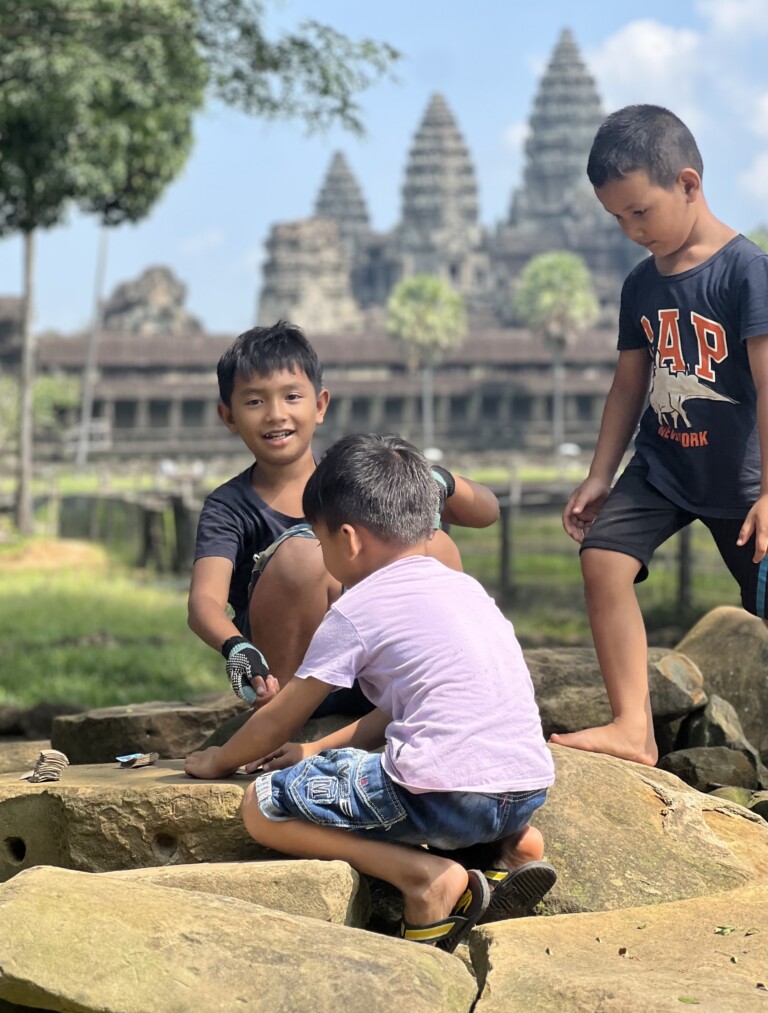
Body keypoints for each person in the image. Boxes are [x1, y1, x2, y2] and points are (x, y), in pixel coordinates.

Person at [185, 433, 556, 953]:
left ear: (349, 539)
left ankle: (423, 878)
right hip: (524, 791)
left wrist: (220, 760)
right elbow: (399, 707)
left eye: (320, 541)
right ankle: (511, 851)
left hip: (443, 798)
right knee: (446, 777)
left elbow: (280, 716)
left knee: (262, 805)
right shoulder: (465, 588)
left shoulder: (358, 609)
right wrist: (316, 750)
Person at [557, 104, 768, 765]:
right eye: (617, 219)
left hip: (744, 480)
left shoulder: (747, 273)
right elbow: (628, 385)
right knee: (603, 559)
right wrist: (599, 474)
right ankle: (632, 727)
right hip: (664, 466)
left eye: (640, 212)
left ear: (687, 183)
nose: (631, 231)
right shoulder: (641, 285)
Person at [188, 321, 500, 710]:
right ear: (228, 416)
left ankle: (436, 691)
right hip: (288, 678)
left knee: (436, 546)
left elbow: (487, 511)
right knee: (304, 556)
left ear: (319, 406)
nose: (275, 414)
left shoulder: (355, 477)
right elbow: (204, 602)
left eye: (291, 397)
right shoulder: (229, 506)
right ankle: (282, 720)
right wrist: (236, 646)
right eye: (254, 402)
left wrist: (437, 480)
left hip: (379, 675)